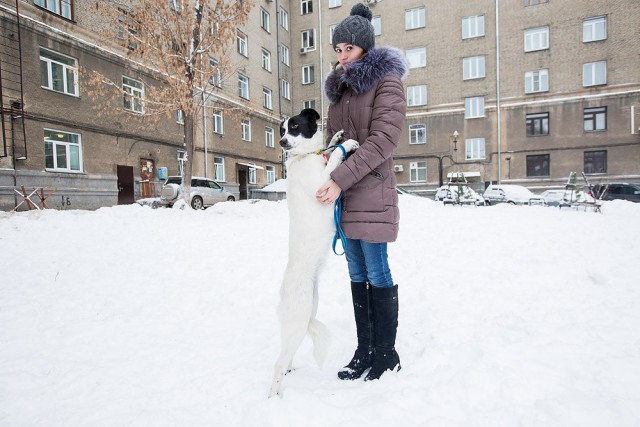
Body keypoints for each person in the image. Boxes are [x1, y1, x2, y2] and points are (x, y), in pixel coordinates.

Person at [316, 2, 408, 381]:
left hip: (370, 192)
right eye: (338, 50)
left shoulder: (387, 83)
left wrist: (339, 178)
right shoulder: (340, 92)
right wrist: (324, 159)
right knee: (356, 271)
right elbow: (335, 138)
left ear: (365, 49)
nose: (342, 57)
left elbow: (383, 140)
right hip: (346, 196)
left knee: (376, 269)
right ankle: (364, 349)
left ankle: (386, 353)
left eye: (348, 50)